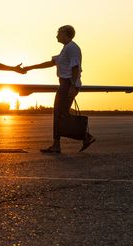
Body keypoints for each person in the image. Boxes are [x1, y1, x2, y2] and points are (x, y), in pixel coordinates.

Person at [22, 25, 95, 153]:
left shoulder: (72, 48)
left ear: (65, 34)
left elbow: (75, 67)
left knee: (59, 114)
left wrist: (72, 86)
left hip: (68, 84)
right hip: (65, 84)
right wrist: (30, 68)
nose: (56, 35)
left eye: (59, 33)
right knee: (62, 114)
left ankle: (69, 141)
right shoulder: (65, 49)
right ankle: (79, 138)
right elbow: (50, 63)